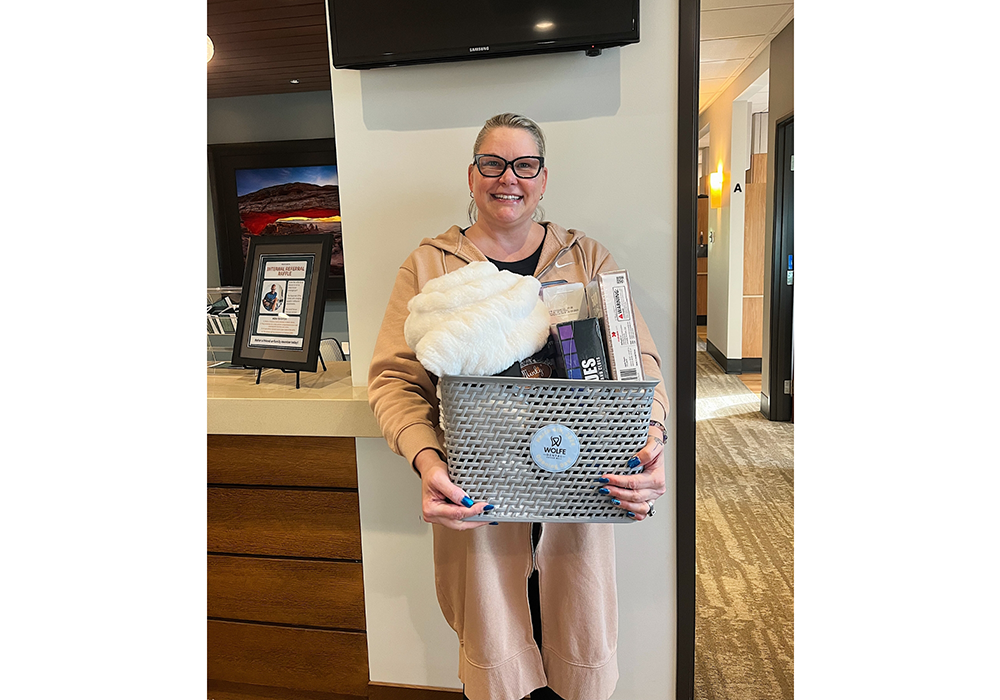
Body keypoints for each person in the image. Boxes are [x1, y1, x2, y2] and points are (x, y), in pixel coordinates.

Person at [368, 113, 669, 700]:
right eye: (493, 163)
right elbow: (395, 382)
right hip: (478, 504)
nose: (509, 178)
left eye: (524, 165)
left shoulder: (589, 261)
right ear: (473, 174)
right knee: (499, 664)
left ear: (543, 177)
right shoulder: (430, 266)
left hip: (580, 495)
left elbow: (643, 371)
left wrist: (651, 445)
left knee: (574, 655)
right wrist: (427, 464)